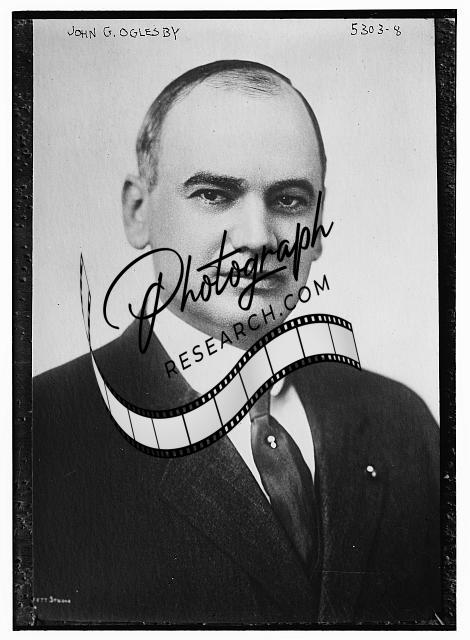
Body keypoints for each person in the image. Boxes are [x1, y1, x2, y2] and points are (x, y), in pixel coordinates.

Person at [33, 60, 440, 626]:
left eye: (289, 200)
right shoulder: (39, 430)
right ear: (138, 212)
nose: (256, 238)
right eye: (214, 194)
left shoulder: (402, 421)